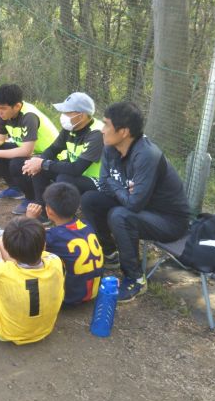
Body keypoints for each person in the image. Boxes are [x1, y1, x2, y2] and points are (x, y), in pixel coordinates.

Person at [80, 101, 190, 302]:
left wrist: (117, 186)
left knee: (120, 215)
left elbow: (132, 204)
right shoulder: (110, 147)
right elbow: (103, 183)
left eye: (106, 124)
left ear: (123, 132)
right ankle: (110, 254)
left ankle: (135, 278)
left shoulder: (147, 155)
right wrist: (123, 189)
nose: (102, 130)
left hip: (169, 220)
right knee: (90, 200)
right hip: (140, 208)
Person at [21, 92, 103, 222]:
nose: (63, 116)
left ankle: (63, 216)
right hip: (76, 172)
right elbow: (53, 149)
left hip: (96, 180)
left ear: (81, 115)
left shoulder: (96, 134)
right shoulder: (71, 128)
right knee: (40, 169)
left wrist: (43, 163)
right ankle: (43, 211)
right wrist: (37, 162)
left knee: (63, 178)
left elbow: (77, 168)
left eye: (67, 112)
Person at [0, 84, 58, 210]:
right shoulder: (5, 115)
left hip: (50, 156)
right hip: (31, 151)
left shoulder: (29, 117)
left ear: (17, 106)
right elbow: (0, 138)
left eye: (3, 108)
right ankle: (15, 188)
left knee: (16, 163)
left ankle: (32, 198)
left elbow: (26, 151)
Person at [25, 183, 104, 305]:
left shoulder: (52, 236)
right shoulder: (86, 225)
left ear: (49, 210)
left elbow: (26, 244)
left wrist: (29, 220)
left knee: (27, 257)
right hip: (94, 292)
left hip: (68, 298)